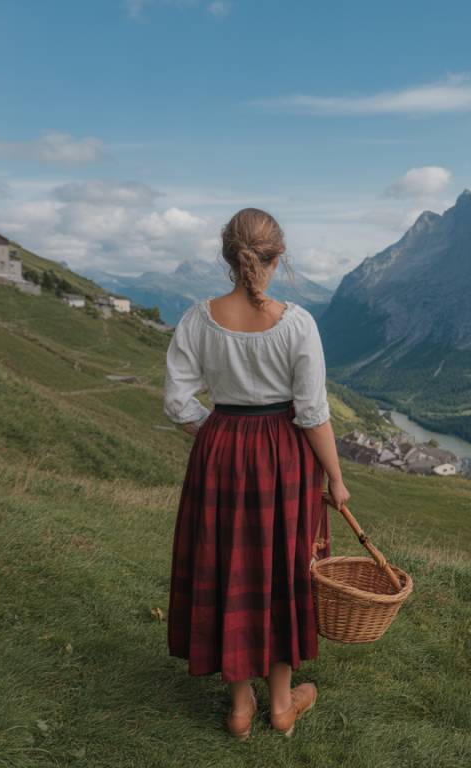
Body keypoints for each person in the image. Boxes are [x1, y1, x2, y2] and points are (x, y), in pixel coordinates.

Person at [162, 207, 350, 739]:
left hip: (219, 452)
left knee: (229, 569)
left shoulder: (198, 318)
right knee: (282, 570)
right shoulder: (296, 324)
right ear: (278, 258)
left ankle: (241, 709)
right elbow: (312, 413)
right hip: (284, 457)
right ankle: (283, 705)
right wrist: (336, 479)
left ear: (229, 257)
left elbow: (177, 403)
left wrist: (219, 432)